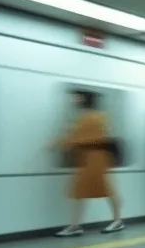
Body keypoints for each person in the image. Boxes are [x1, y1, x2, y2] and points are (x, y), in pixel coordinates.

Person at [52, 90, 124, 236]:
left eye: (76, 98)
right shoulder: (96, 117)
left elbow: (74, 138)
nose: (73, 100)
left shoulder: (90, 118)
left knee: (104, 189)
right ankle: (76, 225)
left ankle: (116, 221)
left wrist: (55, 144)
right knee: (83, 191)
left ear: (84, 100)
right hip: (91, 159)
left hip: (94, 159)